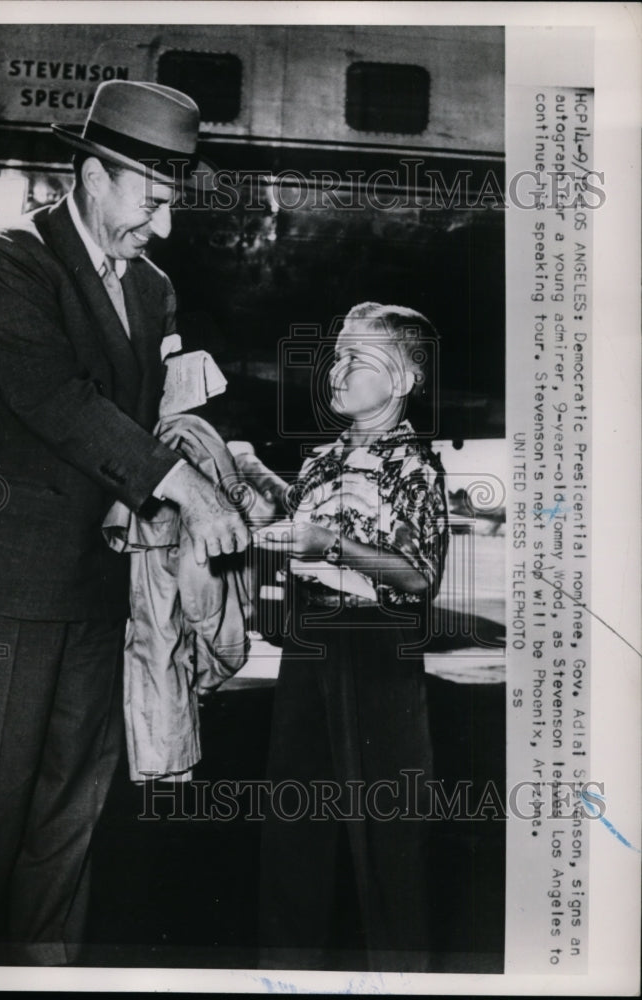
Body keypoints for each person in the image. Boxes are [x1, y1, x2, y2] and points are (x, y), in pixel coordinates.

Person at [0, 80, 250, 966]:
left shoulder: (152, 288)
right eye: (154, 201)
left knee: (70, 820)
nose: (162, 226)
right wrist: (189, 491)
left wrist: (215, 463)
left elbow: (137, 426)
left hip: (91, 592)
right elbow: (61, 401)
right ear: (95, 176)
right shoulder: (8, 264)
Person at [249, 303, 449, 971]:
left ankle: (402, 976)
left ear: (402, 381)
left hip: (377, 649)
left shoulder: (414, 464)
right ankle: (285, 972)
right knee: (294, 817)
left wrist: (328, 544)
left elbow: (418, 577)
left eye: (357, 360)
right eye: (336, 356)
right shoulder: (323, 457)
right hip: (312, 643)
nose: (336, 370)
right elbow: (302, 523)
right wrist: (252, 479)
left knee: (387, 829)